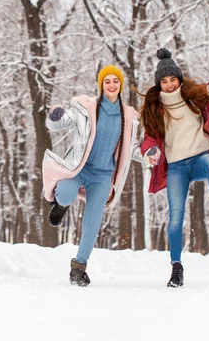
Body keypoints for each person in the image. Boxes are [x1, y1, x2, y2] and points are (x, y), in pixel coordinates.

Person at [140, 48, 209, 288]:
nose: (169, 85)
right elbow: (149, 138)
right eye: (164, 81)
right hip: (176, 168)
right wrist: (150, 152)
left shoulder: (196, 102)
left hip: (200, 159)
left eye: (173, 80)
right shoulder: (156, 109)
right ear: (159, 84)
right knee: (175, 219)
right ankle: (176, 267)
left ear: (179, 80)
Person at [42, 65, 142, 286]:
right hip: (79, 168)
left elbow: (132, 147)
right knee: (66, 192)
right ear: (101, 85)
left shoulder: (128, 116)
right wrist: (54, 116)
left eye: (115, 81)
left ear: (120, 85)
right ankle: (60, 205)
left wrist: (149, 154)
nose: (112, 85)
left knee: (93, 221)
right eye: (107, 81)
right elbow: (60, 123)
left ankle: (78, 268)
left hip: (103, 175)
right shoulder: (85, 108)